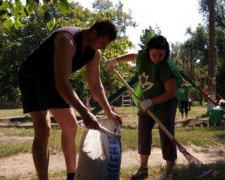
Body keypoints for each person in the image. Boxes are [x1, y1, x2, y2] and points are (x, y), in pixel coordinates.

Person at [18, 19, 122, 180]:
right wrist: (86, 114)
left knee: (71, 126)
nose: (104, 47)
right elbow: (62, 84)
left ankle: (71, 176)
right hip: (33, 79)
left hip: (56, 81)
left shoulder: (94, 53)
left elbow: (95, 86)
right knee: (44, 129)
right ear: (93, 33)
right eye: (103, 42)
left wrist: (109, 112)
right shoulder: (66, 39)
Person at [106, 35, 182, 180]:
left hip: (165, 103)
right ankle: (143, 169)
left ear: (166, 53)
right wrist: (115, 60)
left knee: (167, 136)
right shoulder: (143, 56)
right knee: (143, 134)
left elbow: (171, 92)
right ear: (148, 52)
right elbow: (134, 55)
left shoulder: (167, 67)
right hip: (146, 101)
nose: (157, 58)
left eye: (161, 54)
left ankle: (169, 172)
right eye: (153, 54)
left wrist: (152, 102)